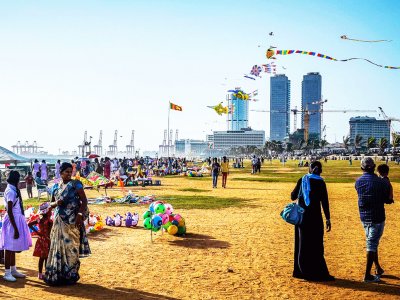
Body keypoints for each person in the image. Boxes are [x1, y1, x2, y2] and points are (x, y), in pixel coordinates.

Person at [45, 162, 90, 285]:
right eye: (67, 172)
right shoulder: (55, 187)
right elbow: (51, 204)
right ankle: (58, 275)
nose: (70, 174)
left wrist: (80, 215)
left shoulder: (76, 184)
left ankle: (71, 275)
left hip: (72, 222)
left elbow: (84, 201)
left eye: (71, 172)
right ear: (61, 173)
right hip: (59, 220)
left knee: (72, 248)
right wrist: (56, 203)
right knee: (57, 247)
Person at [290, 161, 334, 281]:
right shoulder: (321, 183)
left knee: (302, 245)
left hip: (302, 218)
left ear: (309, 169)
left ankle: (301, 272)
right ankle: (318, 272)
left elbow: (292, 196)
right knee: (317, 246)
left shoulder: (303, 179)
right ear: (320, 170)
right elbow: (325, 202)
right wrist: (328, 219)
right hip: (315, 218)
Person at [355, 157, 393, 283]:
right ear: (374, 167)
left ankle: (377, 267)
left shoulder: (358, 181)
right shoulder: (381, 182)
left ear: (362, 168)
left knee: (372, 241)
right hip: (377, 217)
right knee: (372, 244)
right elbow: (387, 200)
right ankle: (367, 275)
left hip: (364, 216)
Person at [0, 171, 32, 282]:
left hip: (15, 220)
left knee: (12, 247)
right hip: (12, 222)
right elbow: (9, 210)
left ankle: (13, 269)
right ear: (16, 180)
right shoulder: (11, 191)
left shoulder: (13, 189)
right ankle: (7, 272)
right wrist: (15, 228)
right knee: (9, 248)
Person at [28, 202, 53, 279]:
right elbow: (50, 231)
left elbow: (29, 224)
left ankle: (40, 273)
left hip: (40, 240)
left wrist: (37, 232)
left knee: (41, 258)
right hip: (47, 240)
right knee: (46, 257)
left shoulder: (39, 220)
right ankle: (46, 273)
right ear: (47, 211)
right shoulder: (49, 221)